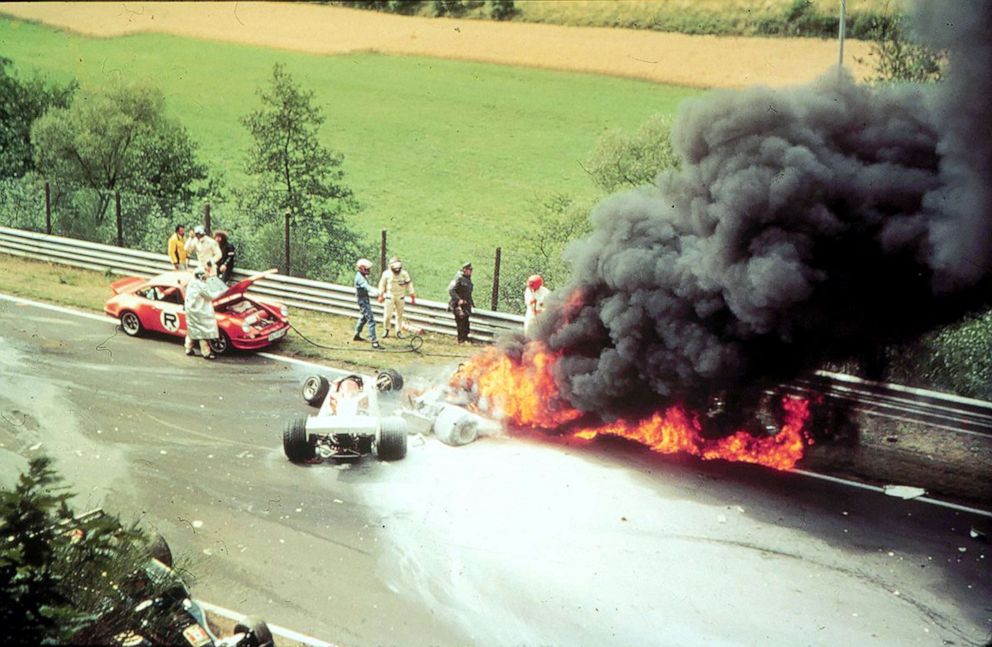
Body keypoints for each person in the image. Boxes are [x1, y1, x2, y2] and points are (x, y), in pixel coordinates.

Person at [184, 268, 227, 360]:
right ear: (200, 276)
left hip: (190, 309)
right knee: (203, 331)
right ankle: (206, 352)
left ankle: (188, 348)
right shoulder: (201, 285)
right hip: (199, 311)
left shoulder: (192, 282)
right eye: (204, 275)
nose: (206, 276)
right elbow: (211, 296)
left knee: (192, 329)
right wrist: (223, 291)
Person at [377, 256, 416, 339]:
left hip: (401, 295)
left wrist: (412, 295)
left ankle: (398, 331)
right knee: (387, 315)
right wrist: (381, 295)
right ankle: (386, 329)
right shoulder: (386, 273)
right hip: (390, 295)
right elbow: (382, 284)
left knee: (400, 315)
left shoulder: (404, 273)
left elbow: (409, 283)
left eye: (398, 268)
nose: (397, 270)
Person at [353, 258, 382, 350]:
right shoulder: (360, 278)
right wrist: (376, 292)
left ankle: (356, 335)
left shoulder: (361, 276)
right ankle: (374, 342)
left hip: (364, 299)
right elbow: (366, 287)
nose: (368, 271)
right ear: (361, 268)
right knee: (371, 320)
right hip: (363, 301)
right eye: (366, 269)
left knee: (364, 318)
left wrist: (375, 292)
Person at [447, 261, 474, 344]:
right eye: (469, 269)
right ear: (464, 270)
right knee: (460, 322)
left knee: (466, 322)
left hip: (465, 305)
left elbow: (468, 294)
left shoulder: (469, 281)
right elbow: (451, 290)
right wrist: (459, 299)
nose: (470, 271)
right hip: (457, 304)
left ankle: (465, 338)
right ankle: (461, 340)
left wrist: (472, 303)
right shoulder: (458, 278)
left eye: (471, 270)